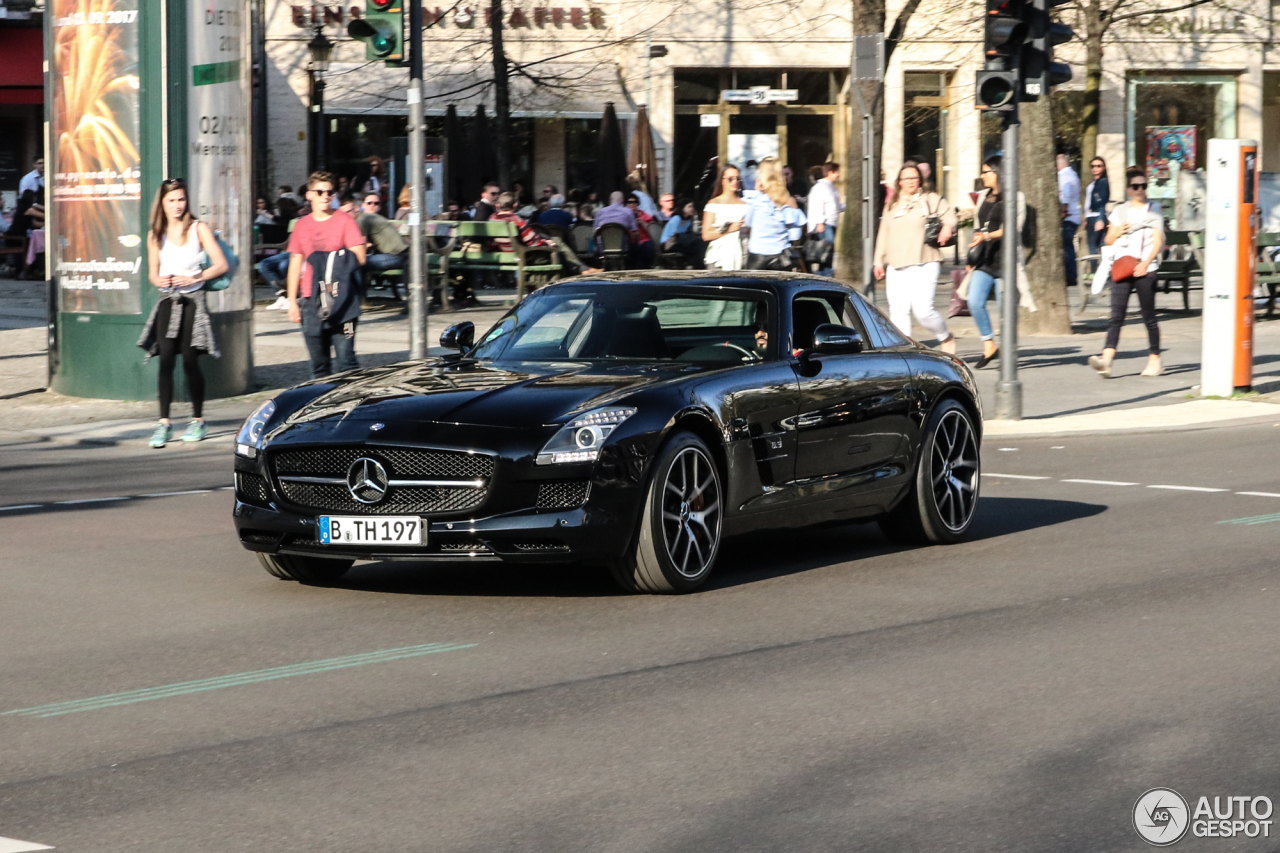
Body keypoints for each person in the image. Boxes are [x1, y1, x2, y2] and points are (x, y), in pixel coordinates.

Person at [138, 177, 228, 448]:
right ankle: (163, 423)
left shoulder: (199, 228)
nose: (177, 205)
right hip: (168, 299)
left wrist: (195, 277)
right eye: (171, 200)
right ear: (162, 203)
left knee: (190, 358)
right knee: (165, 357)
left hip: (193, 299)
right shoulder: (155, 233)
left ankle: (198, 419)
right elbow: (152, 273)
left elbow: (221, 264)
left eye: (181, 199)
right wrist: (159, 280)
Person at [286, 171, 367, 378]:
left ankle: (352, 405)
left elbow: (360, 256)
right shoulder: (301, 225)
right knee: (318, 365)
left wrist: (327, 260)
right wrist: (292, 301)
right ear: (309, 195)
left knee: (346, 361)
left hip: (345, 303)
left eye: (329, 192)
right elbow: (295, 262)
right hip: (310, 300)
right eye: (320, 191)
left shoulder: (345, 221)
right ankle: (321, 408)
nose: (325, 196)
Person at [1088, 166, 1165, 379]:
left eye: (1144, 186)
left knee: (1148, 316)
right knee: (1116, 316)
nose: (1141, 189)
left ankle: (1155, 360)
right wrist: (1118, 231)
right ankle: (1107, 360)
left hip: (1145, 268)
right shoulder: (1120, 211)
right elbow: (1108, 239)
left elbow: (1158, 241)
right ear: (1129, 189)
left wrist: (1147, 262)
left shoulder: (1154, 210)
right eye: (1136, 186)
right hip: (1123, 266)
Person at [872, 163, 957, 353]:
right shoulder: (892, 205)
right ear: (899, 182)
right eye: (906, 179)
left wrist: (947, 227)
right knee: (898, 311)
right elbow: (883, 233)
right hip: (896, 263)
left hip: (925, 261)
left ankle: (946, 337)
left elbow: (950, 216)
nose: (910, 182)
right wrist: (878, 259)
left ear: (920, 180)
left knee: (923, 311)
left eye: (914, 178)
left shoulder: (930, 199)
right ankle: (905, 352)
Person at [966, 157, 1007, 368]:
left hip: (1005, 263)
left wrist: (987, 237)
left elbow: (1011, 229)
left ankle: (1008, 351)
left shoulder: (1012, 196)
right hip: (984, 259)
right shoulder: (984, 196)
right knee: (974, 301)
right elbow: (978, 225)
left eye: (986, 171)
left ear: (997, 172)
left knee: (1005, 309)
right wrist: (971, 255)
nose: (982, 176)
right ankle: (989, 344)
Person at [489, 192, 589, 275]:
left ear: (498, 205)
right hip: (523, 256)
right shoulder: (515, 219)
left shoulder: (492, 219)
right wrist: (547, 243)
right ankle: (582, 268)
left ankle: (581, 269)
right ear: (515, 205)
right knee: (557, 242)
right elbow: (533, 242)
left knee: (553, 242)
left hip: (503, 254)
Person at [742, 158, 806, 270]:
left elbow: (748, 222)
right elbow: (795, 234)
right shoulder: (789, 200)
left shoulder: (756, 199)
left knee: (754, 287)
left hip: (758, 253)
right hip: (781, 256)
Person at [357, 191, 408, 292]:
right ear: (362, 204)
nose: (372, 206)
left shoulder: (363, 218)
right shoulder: (377, 219)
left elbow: (360, 246)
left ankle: (360, 298)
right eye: (369, 203)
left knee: (355, 263)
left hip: (396, 256)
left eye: (376, 203)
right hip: (402, 255)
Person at [701, 164, 747, 271]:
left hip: (741, 257)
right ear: (722, 181)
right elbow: (706, 234)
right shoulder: (714, 204)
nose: (735, 182)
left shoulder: (745, 204)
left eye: (737, 178)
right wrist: (729, 230)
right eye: (730, 179)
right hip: (718, 258)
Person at [806, 162, 841, 277]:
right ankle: (826, 273)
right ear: (830, 172)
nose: (838, 175)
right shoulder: (821, 187)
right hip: (825, 224)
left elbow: (833, 204)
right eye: (836, 172)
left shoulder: (831, 187)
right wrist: (820, 222)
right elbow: (818, 205)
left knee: (826, 252)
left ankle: (824, 272)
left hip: (831, 223)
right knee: (826, 251)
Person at [1058, 153, 1081, 290]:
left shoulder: (1064, 176)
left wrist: (1063, 212)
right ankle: (1071, 274)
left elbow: (1065, 196)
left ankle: (1070, 275)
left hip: (1068, 216)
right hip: (1074, 215)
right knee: (1069, 245)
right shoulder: (1073, 174)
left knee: (1067, 246)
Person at [660, 198, 706, 266]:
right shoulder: (676, 219)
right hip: (668, 244)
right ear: (682, 208)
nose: (692, 208)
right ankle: (698, 265)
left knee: (698, 244)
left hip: (680, 243)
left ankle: (697, 264)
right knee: (697, 245)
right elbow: (673, 236)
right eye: (689, 206)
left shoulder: (688, 221)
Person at [1085, 156, 1111, 270]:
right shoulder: (1095, 183)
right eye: (1093, 166)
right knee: (1100, 245)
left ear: (1104, 167)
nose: (1095, 168)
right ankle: (1103, 272)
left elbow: (1102, 202)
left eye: (1098, 166)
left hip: (1096, 216)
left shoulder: (1102, 182)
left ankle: (1095, 271)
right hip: (1091, 216)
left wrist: (1100, 218)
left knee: (1092, 246)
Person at [625, 193, 657, 267]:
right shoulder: (624, 216)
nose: (632, 204)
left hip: (644, 240)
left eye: (635, 202)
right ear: (626, 204)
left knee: (648, 247)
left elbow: (652, 230)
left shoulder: (645, 215)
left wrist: (643, 223)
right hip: (630, 240)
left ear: (638, 203)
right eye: (630, 202)